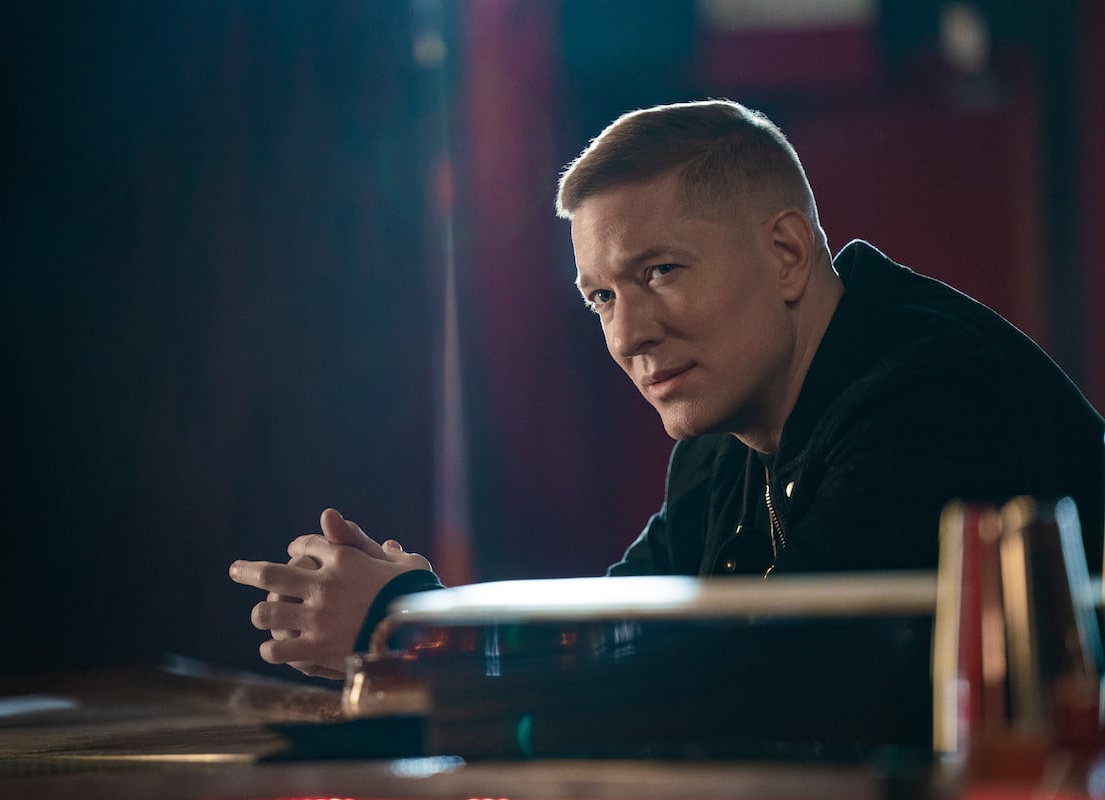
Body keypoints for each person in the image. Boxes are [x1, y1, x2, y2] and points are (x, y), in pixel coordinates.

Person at [229, 99, 1105, 680]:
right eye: (602, 296)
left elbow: (765, 679)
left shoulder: (930, 396)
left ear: (787, 254)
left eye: (661, 271)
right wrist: (427, 620)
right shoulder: (727, 435)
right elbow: (622, 625)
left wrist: (414, 628)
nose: (628, 334)